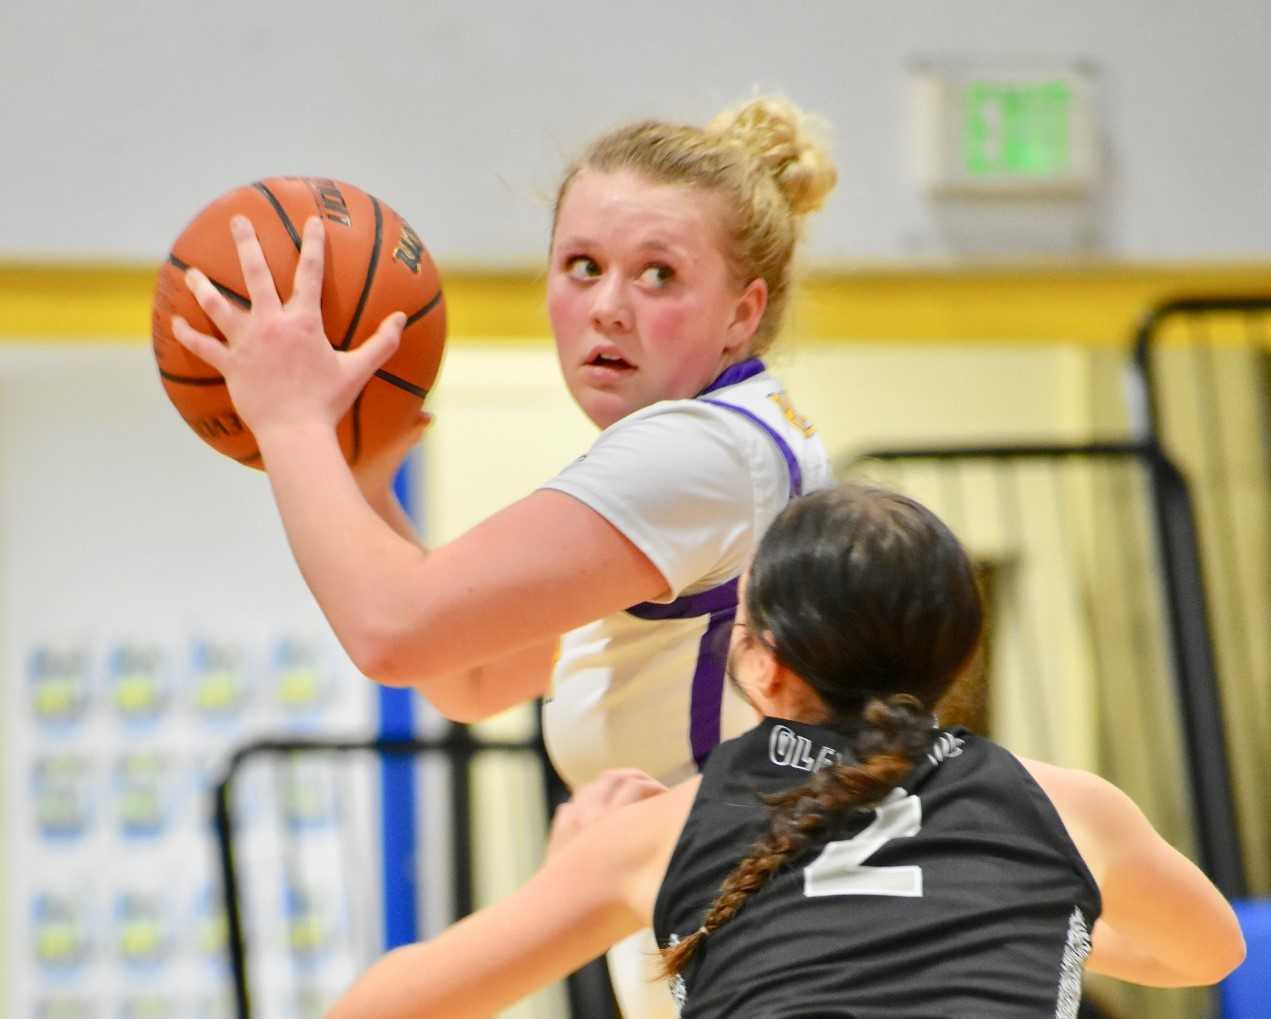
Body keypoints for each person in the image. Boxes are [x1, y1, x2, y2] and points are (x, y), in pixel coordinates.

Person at [172, 97, 837, 1015]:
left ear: (741, 313)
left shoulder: (699, 453)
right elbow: (471, 673)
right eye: (583, 267)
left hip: (766, 969)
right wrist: (362, 486)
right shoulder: (732, 446)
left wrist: (289, 419)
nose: (608, 305)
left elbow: (395, 635)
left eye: (657, 275)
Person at [321, 483, 1246, 1019]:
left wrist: (560, 875)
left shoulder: (653, 832)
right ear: (959, 659)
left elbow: (379, 1010)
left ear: (756, 662)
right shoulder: (1070, 806)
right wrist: (1033, 925)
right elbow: (1209, 952)